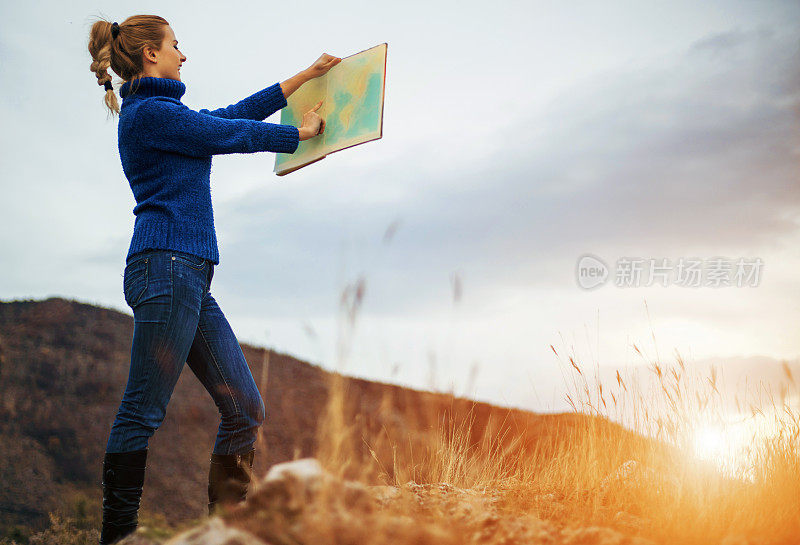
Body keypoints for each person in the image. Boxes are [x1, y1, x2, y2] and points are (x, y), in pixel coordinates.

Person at [87, 14, 340, 545]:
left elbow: (227, 116)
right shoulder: (149, 114)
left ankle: (226, 532)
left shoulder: (164, 113)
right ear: (152, 55)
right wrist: (298, 134)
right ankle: (117, 537)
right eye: (177, 45)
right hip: (166, 267)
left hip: (189, 276)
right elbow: (225, 132)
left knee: (245, 409)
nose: (184, 54)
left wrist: (303, 76)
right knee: (142, 411)